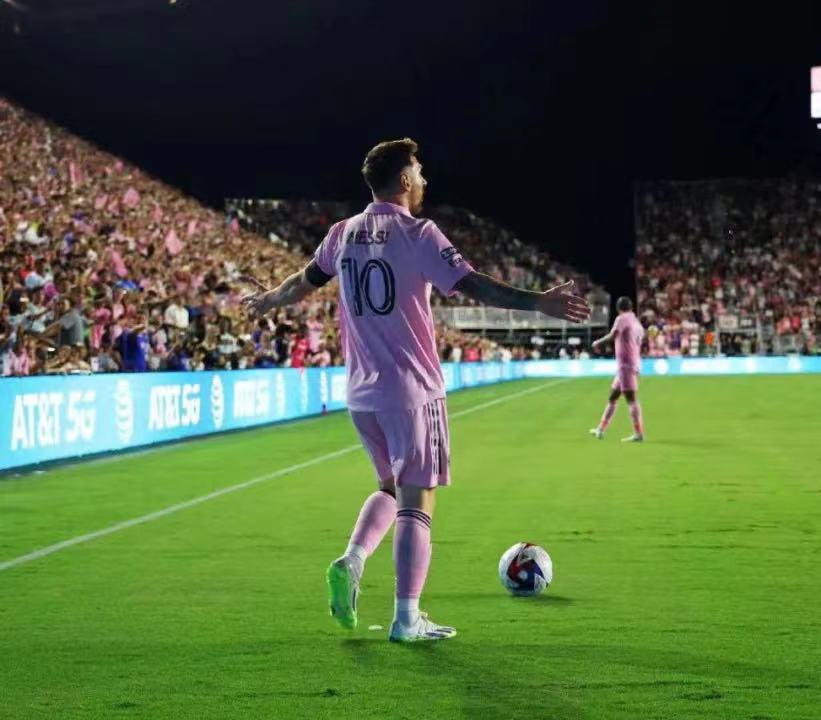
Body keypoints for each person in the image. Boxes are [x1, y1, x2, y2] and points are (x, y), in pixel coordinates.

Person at [241, 138, 589, 643]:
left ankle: (352, 559)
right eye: (419, 171)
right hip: (412, 391)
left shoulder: (342, 233)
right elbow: (471, 283)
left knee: (389, 488)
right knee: (417, 502)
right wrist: (539, 302)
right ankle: (407, 618)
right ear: (404, 180)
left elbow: (304, 279)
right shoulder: (419, 233)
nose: (424, 179)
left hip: (362, 394)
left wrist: (269, 300)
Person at [589, 296, 646, 442]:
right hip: (630, 363)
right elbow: (640, 339)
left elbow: (614, 334)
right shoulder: (636, 321)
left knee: (631, 399)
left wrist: (597, 343)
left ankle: (639, 433)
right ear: (631, 307)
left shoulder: (622, 318)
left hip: (626, 365)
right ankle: (600, 430)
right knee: (613, 397)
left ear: (618, 308)